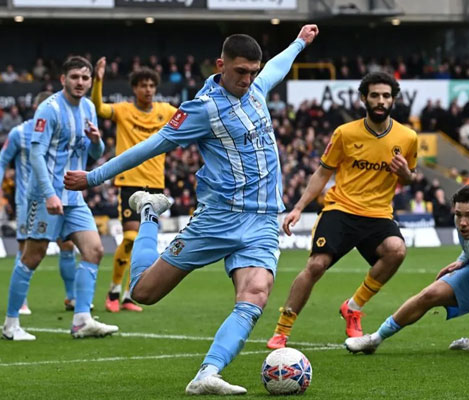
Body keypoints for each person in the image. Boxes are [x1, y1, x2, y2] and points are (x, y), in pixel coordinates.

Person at [64, 26, 319, 395]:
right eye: (240, 72)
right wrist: (94, 177)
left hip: (263, 219)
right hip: (218, 219)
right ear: (220, 65)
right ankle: (150, 213)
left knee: (257, 292)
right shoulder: (203, 109)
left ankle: (207, 374)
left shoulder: (257, 90)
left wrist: (298, 43)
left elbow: (276, 69)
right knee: (144, 293)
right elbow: (151, 146)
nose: (248, 80)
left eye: (252, 71)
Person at [266, 71, 418, 350]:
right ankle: (281, 330)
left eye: (386, 96)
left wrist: (406, 173)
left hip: (378, 214)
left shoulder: (408, 138)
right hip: (341, 209)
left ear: (393, 99)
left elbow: (409, 178)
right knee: (316, 265)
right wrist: (299, 207)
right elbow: (322, 174)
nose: (381, 101)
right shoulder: (345, 133)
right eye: (375, 95)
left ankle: (354, 306)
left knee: (396, 250)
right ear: (364, 98)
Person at [3, 56, 118, 341]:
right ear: (63, 79)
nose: (80, 82)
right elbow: (37, 156)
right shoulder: (49, 109)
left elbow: (94, 154)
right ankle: (11, 324)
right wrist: (49, 194)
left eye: (85, 78)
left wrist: (97, 141)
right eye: (75, 77)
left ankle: (81, 319)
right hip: (45, 197)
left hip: (74, 197)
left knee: (93, 250)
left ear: (91, 81)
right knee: (33, 256)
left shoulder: (89, 107)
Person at [344, 185, 469, 356]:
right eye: (459, 214)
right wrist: (462, 260)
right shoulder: (465, 225)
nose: (462, 222)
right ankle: (374, 339)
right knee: (430, 293)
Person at [91, 58, 177, 313]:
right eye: (143, 85)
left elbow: (191, 116)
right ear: (135, 89)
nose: (148, 89)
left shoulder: (167, 110)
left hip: (156, 185)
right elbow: (98, 108)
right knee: (130, 236)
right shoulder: (124, 110)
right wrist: (98, 81)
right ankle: (113, 291)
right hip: (130, 183)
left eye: (151, 85)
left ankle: (130, 294)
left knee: (144, 240)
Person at [0, 92, 78, 318]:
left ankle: (72, 297)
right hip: (29, 199)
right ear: (36, 107)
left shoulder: (62, 130)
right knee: (27, 249)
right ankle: (20, 302)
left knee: (67, 245)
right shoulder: (19, 133)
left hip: (60, 196)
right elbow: (3, 159)